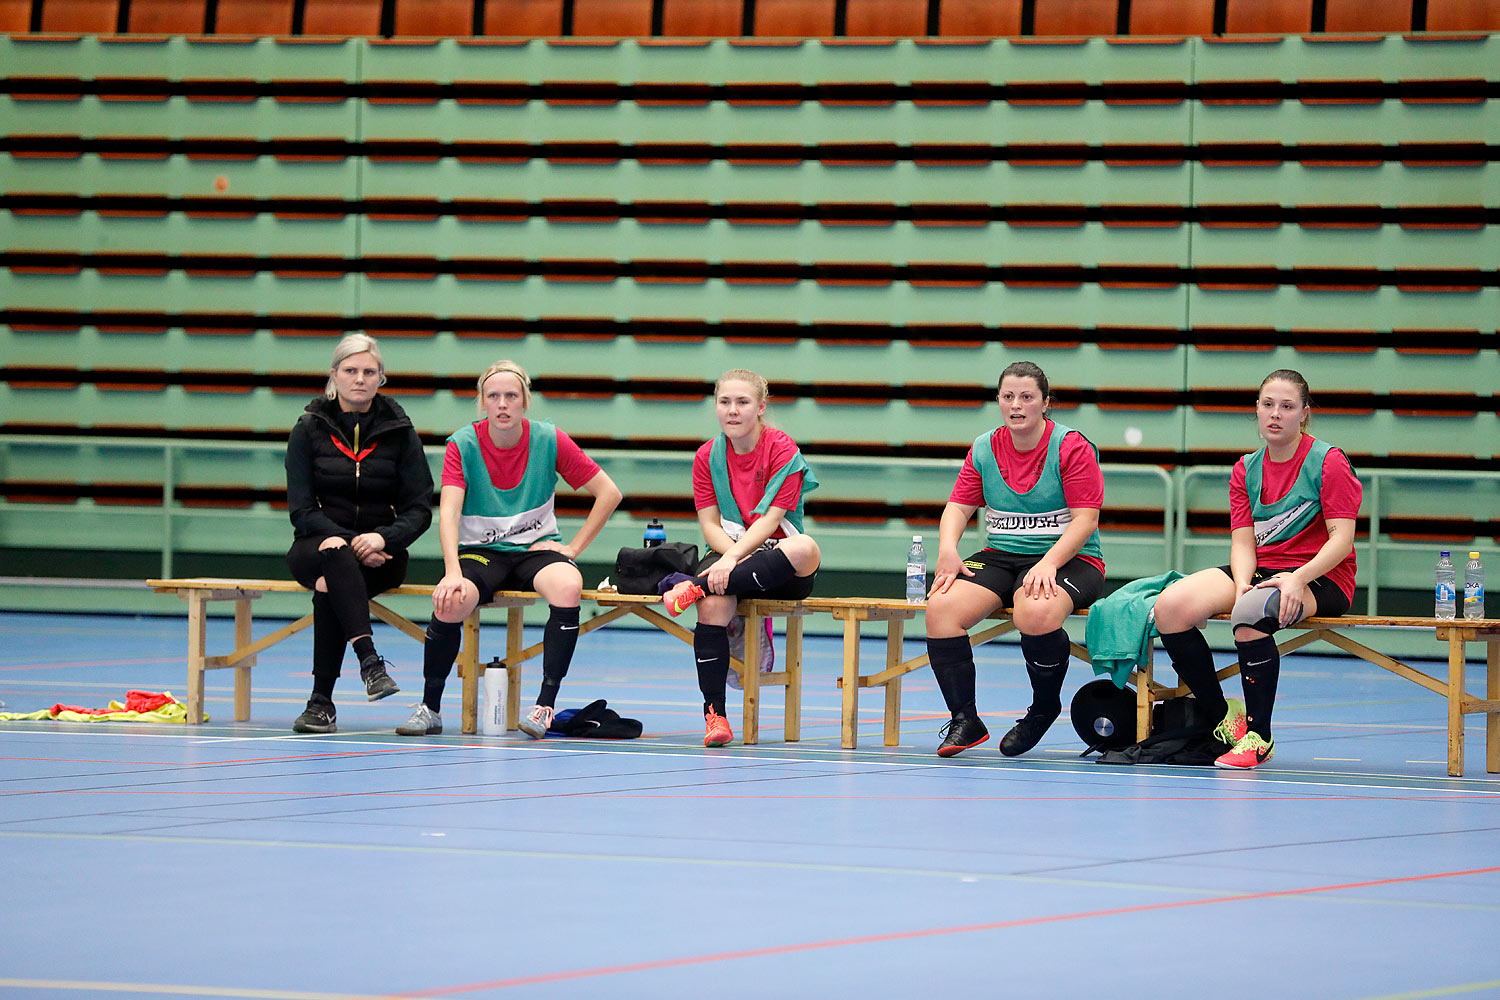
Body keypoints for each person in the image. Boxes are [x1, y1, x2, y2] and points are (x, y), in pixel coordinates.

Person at [397, 361, 622, 739]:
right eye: (494, 396)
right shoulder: (463, 444)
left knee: (569, 585)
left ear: (525, 402)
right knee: (450, 600)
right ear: (482, 402)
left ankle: (544, 706)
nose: (503, 404)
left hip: (534, 550)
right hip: (481, 554)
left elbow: (609, 493)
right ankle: (430, 707)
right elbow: (449, 513)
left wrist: (573, 547)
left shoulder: (550, 439)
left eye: (511, 396)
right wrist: (452, 570)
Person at [1151, 369, 1361, 769]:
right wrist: (1244, 582)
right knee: (1170, 607)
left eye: (1287, 406)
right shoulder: (1246, 469)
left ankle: (1259, 736)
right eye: (1268, 405)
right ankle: (1222, 717)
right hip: (1265, 570)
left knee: (1250, 614)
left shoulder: (1328, 462)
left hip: (1322, 577)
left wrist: (1298, 578)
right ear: (1257, 410)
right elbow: (1243, 542)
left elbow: (1342, 541)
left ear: (1304, 414)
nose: (1276, 415)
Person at [925, 361, 1106, 758]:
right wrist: (949, 551)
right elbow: (957, 507)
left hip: (1072, 558)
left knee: (1036, 613)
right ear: (999, 401)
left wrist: (1049, 563)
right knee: (939, 609)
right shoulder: (985, 447)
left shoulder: (1071, 446)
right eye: (1008, 397)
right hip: (1002, 556)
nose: (1016, 405)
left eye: (1027, 397)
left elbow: (1085, 520)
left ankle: (1042, 709)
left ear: (1045, 403)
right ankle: (965, 719)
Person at [661, 370, 821, 747]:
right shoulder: (707, 456)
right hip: (727, 554)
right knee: (713, 607)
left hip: (777, 559)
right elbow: (709, 523)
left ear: (761, 407)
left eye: (742, 402)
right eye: (724, 402)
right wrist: (726, 558)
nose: (732, 411)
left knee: (805, 547)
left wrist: (729, 560)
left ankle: (692, 587)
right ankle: (715, 716)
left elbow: (770, 521)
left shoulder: (783, 449)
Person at [285, 333, 434, 734]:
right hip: (315, 545)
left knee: (329, 582)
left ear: (381, 378)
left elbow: (420, 508)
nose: (360, 379)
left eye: (369, 371)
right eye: (351, 371)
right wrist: (352, 543)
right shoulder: (307, 429)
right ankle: (369, 660)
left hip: (383, 555)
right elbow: (301, 510)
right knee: (332, 556)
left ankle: (321, 703)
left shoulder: (401, 432)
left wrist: (384, 538)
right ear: (334, 375)